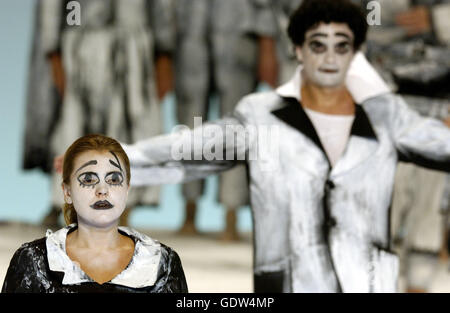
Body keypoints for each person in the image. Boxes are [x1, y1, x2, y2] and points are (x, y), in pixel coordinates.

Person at [56, 0, 450, 292]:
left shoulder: (388, 118)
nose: (330, 57)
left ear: (356, 53)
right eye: (318, 45)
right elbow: (187, 151)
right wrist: (107, 160)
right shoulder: (263, 118)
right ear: (297, 50)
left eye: (342, 46)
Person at [24, 0, 175, 228]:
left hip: (134, 47)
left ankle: (123, 209)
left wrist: (164, 52)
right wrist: (52, 49)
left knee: (130, 129)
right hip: (83, 45)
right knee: (75, 128)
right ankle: (66, 204)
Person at [3, 134, 187, 293]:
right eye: (89, 178)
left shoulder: (161, 264)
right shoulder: (33, 261)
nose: (102, 190)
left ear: (127, 189)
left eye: (114, 179)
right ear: (67, 192)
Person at [173, 0, 279, 240]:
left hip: (240, 38)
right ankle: (189, 212)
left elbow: (265, 7)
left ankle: (230, 216)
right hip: (191, 41)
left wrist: (267, 46)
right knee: (191, 127)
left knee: (235, 129)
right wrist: (165, 48)